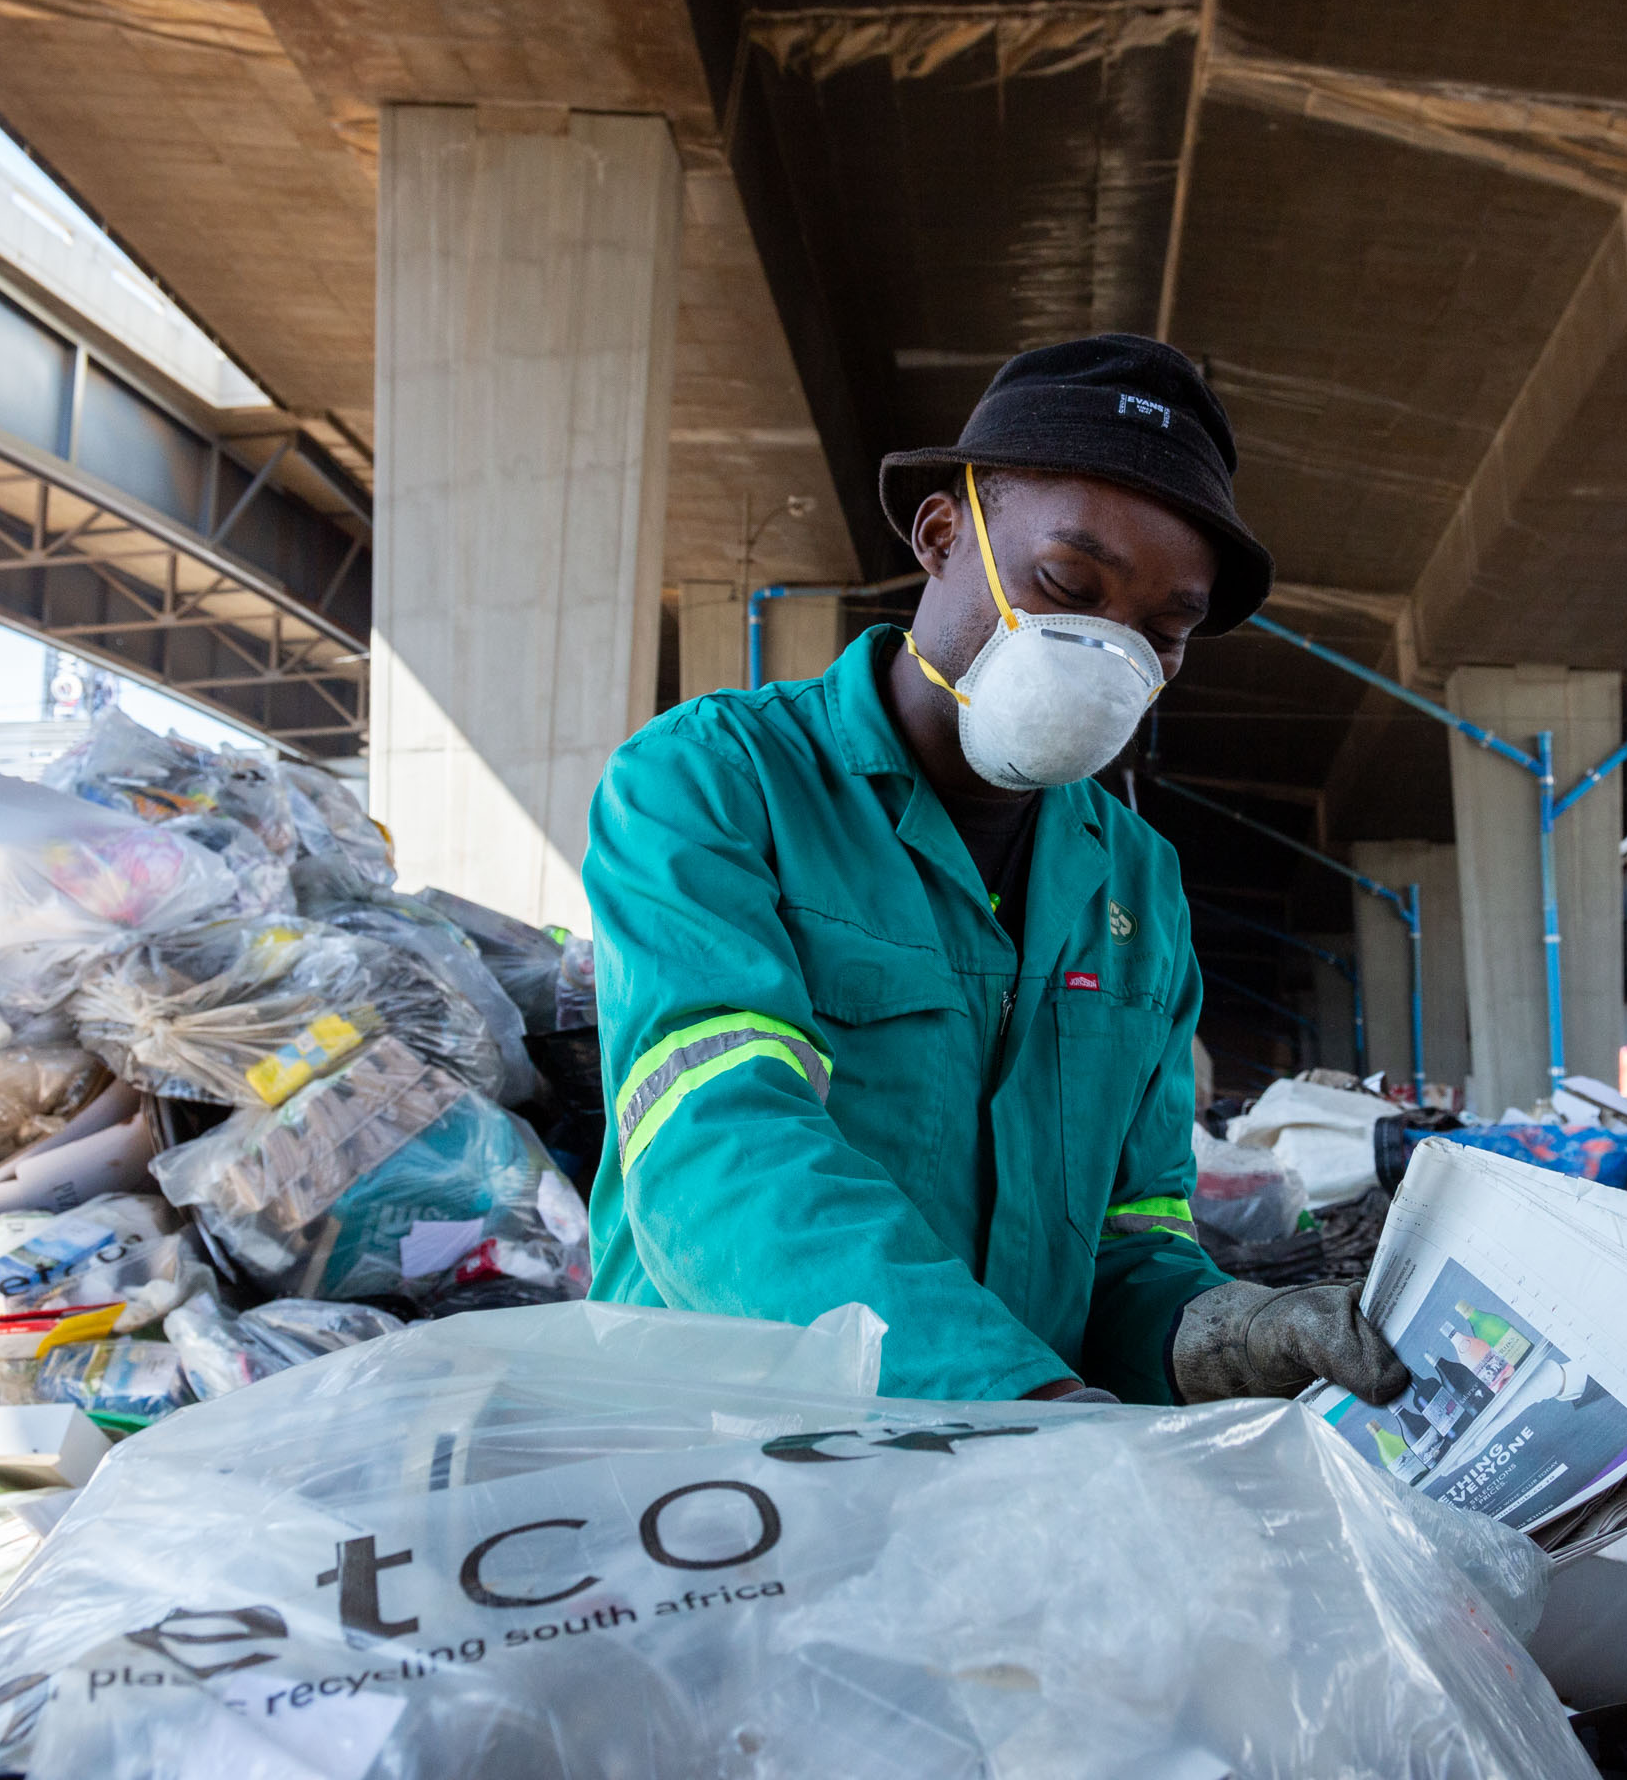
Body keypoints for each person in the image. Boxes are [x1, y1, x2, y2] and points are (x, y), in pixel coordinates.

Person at [581, 334, 1411, 1409]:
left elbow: (1131, 1239)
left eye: (1164, 630)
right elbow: (717, 1142)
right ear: (939, 535)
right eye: (1068, 582)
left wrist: (1220, 1332)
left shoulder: (1137, 887)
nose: (1108, 651)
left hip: (1013, 1494)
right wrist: (1016, 1402)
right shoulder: (712, 780)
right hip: (725, 1477)